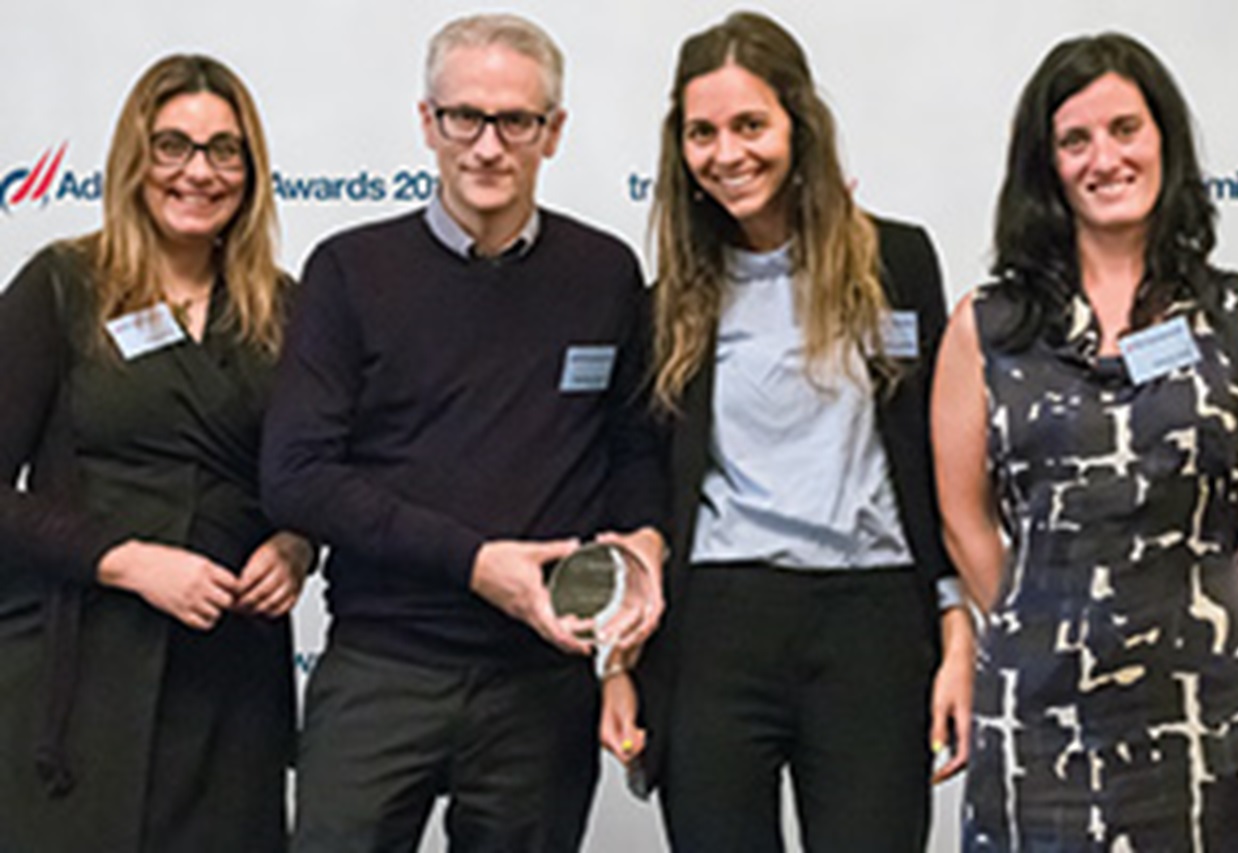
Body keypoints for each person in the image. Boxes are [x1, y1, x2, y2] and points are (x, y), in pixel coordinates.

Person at [261, 12, 665, 853]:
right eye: (464, 118)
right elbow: (297, 475)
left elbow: (631, 449)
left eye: (515, 121)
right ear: (427, 123)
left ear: (553, 132)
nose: (487, 146)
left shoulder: (604, 274)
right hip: (381, 668)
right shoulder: (350, 270)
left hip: (541, 682)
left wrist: (643, 543)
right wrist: (476, 563)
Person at [599, 12, 974, 852]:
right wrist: (617, 661)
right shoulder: (667, 303)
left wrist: (957, 627)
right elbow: (640, 475)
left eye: (750, 125)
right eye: (702, 133)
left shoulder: (897, 262)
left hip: (872, 621)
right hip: (715, 626)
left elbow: (933, 457)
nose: (726, 153)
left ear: (798, 126)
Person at [933, 32, 1238, 850]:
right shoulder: (987, 329)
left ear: (1164, 140)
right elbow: (962, 517)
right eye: (1075, 140)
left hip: (1211, 711)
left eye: (1126, 129)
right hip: (1038, 714)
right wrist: (1039, 621)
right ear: (1047, 165)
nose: (1105, 159)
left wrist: (1198, 611)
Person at [0, 54, 309, 853]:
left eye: (224, 151)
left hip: (228, 680)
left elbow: (316, 476)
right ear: (136, 157)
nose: (198, 172)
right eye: (173, 146)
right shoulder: (64, 285)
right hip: (79, 667)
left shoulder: (283, 308)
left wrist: (296, 546)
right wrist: (125, 560)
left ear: (251, 170)